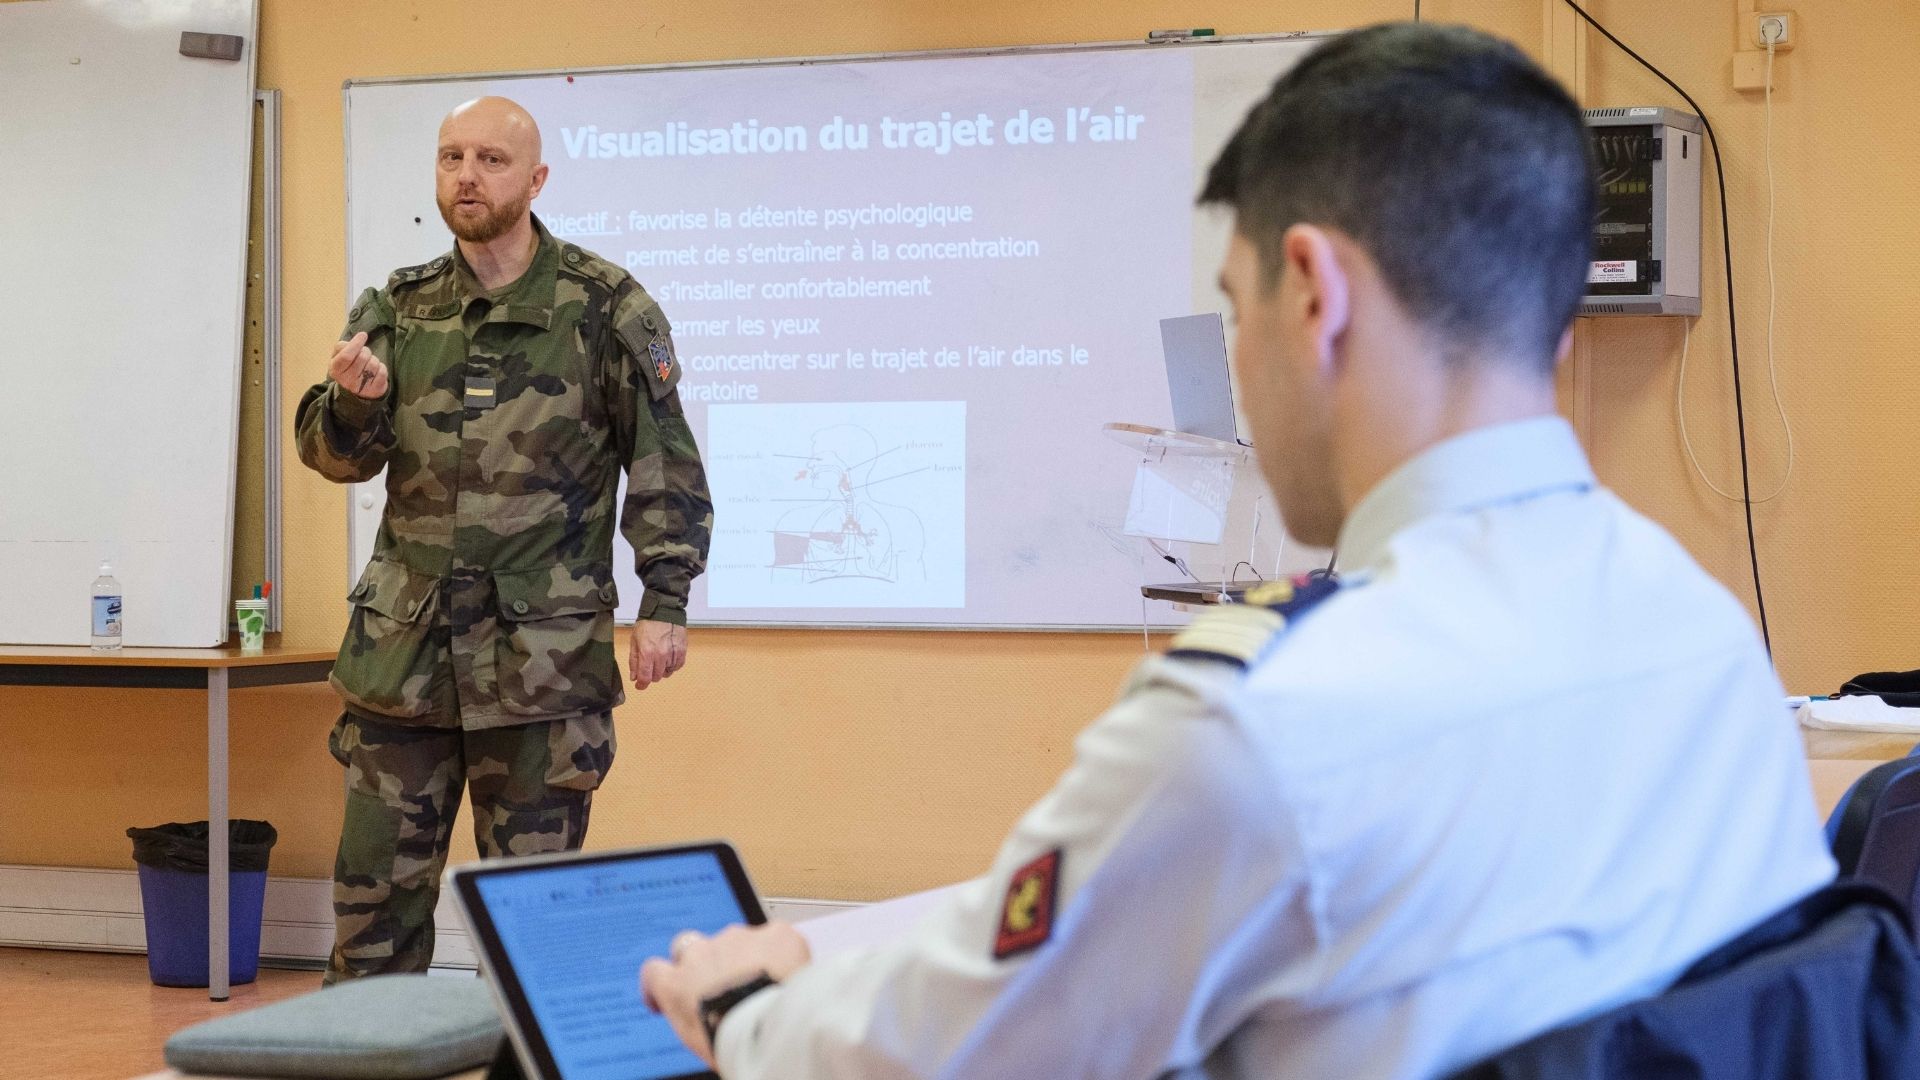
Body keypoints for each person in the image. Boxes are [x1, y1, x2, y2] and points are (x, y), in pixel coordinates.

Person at [637, 23, 1835, 1079]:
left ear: (1313, 291)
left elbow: (954, 1049)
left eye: (1235, 303)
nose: (1240, 366)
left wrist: (748, 1005)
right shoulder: (1709, 643)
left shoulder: (1268, 718)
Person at [294, 96, 712, 983]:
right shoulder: (398, 308)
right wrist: (356, 401)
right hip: (401, 668)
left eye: (489, 159)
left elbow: (664, 460)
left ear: (535, 178)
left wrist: (665, 602)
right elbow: (336, 459)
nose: (466, 177)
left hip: (541, 670)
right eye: (451, 158)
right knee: (370, 928)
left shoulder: (604, 307)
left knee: (538, 938)